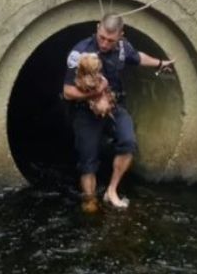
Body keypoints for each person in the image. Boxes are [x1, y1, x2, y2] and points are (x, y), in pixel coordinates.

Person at [62, 15, 174, 212]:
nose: (105, 43)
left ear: (120, 36)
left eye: (110, 40)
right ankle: (89, 198)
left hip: (114, 103)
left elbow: (137, 57)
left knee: (128, 142)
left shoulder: (122, 47)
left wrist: (160, 63)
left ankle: (111, 191)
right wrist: (97, 92)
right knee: (88, 158)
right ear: (98, 29)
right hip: (85, 108)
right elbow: (68, 92)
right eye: (102, 37)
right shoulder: (80, 53)